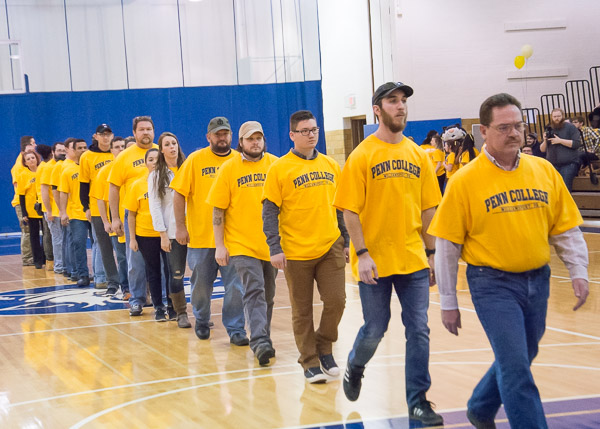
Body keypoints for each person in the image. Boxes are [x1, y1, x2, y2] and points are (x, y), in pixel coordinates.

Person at [429, 93, 589, 428]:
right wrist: (447, 300)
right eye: (504, 127)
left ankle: (480, 406)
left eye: (518, 126)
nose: (513, 133)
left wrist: (578, 271)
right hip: (492, 284)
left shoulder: (543, 170)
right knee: (516, 369)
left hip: (538, 279)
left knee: (521, 356)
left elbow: (566, 229)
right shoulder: (464, 181)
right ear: (483, 131)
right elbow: (447, 246)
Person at [333, 82, 443, 426]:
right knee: (375, 328)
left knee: (419, 329)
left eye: (403, 101)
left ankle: (418, 402)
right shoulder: (362, 155)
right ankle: (356, 365)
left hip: (412, 258)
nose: (401, 106)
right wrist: (362, 253)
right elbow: (349, 210)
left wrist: (431, 254)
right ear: (378, 110)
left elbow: (428, 209)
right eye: (392, 101)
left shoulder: (417, 155)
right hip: (374, 261)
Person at [262, 110, 349, 383]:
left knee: (337, 301)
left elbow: (340, 208)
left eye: (314, 130)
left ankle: (324, 346)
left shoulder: (331, 165)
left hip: (329, 246)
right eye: (304, 131)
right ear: (292, 135)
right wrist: (274, 248)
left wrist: (344, 239)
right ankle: (309, 361)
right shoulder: (279, 168)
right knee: (302, 310)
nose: (311, 134)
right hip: (295, 252)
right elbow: (268, 212)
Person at [207, 121, 279, 365]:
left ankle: (263, 336)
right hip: (241, 244)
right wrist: (220, 245)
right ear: (241, 142)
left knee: (268, 294)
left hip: (270, 245)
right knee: (254, 289)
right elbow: (218, 209)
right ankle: (259, 342)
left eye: (258, 137)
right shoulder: (229, 168)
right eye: (250, 139)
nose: (255, 142)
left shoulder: (276, 165)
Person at [171, 117, 247, 344]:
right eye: (217, 134)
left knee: (236, 286)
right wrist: (180, 226)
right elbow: (178, 193)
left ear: (231, 136)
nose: (221, 138)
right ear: (209, 137)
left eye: (225, 133)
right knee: (201, 287)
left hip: (234, 239)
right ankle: (202, 319)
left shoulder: (239, 160)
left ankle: (236, 328)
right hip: (201, 238)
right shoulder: (195, 160)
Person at [109, 116, 158, 316]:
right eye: (141, 129)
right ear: (135, 133)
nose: (145, 132)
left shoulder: (161, 151)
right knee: (135, 260)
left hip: (160, 213)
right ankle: (137, 299)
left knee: (162, 261)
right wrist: (115, 218)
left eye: (149, 129)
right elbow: (113, 187)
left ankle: (161, 299)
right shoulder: (124, 156)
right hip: (134, 216)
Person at [148, 132, 191, 328]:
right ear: (161, 149)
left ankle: (202, 311)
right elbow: (155, 206)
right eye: (167, 144)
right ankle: (179, 312)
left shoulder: (189, 168)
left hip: (197, 229)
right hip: (173, 232)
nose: (172, 147)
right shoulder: (156, 175)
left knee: (201, 272)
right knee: (176, 274)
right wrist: (162, 234)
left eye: (174, 143)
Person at [125, 149, 170, 321]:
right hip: (145, 235)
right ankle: (153, 305)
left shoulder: (168, 181)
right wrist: (133, 239)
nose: (154, 162)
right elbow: (132, 215)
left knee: (169, 270)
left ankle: (168, 303)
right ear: (145, 163)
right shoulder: (137, 185)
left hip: (166, 234)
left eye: (157, 159)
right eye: (150, 159)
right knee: (152, 271)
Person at [91, 136, 129, 297]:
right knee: (120, 256)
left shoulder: (132, 167)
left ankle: (138, 286)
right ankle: (122, 286)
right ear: (111, 150)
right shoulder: (105, 171)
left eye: (123, 146)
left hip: (134, 220)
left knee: (134, 258)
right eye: (117, 147)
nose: (120, 149)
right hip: (116, 221)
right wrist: (106, 221)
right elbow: (100, 198)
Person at [80, 124, 116, 290]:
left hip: (117, 205)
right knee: (102, 244)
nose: (105, 137)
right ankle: (104, 278)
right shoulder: (87, 157)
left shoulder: (116, 154)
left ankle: (121, 279)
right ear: (96, 136)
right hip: (97, 206)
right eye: (102, 134)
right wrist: (85, 207)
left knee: (121, 245)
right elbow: (84, 185)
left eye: (108, 134)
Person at [58, 138, 91, 285]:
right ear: (74, 151)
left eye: (85, 147)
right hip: (77, 214)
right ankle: (82, 274)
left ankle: (101, 275)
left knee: (99, 245)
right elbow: (63, 193)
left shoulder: (92, 167)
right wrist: (63, 212)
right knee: (78, 243)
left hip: (94, 211)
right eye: (80, 148)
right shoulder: (67, 170)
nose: (83, 150)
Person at [41, 141, 67, 275]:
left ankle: (67, 265)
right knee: (58, 239)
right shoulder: (48, 167)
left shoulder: (65, 165)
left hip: (65, 210)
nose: (62, 152)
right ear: (53, 152)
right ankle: (59, 266)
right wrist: (49, 211)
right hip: (54, 211)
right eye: (59, 150)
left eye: (64, 150)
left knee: (66, 239)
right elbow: (44, 190)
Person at [540, 108, 581, 191]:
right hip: (552, 165)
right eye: (554, 116)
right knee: (552, 190)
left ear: (562, 116)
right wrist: (544, 140)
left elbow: (577, 144)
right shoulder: (549, 128)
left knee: (565, 189)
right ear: (551, 117)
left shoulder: (570, 127)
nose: (556, 118)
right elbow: (542, 150)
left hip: (568, 164)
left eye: (558, 116)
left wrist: (560, 141)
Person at [17, 150, 45, 269]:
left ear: (37, 158)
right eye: (28, 159)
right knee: (34, 236)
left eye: (32, 157)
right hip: (31, 210)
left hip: (44, 208)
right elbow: (21, 196)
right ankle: (37, 260)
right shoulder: (23, 175)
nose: (31, 160)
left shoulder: (43, 170)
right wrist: (24, 213)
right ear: (25, 162)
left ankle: (45, 258)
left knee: (47, 235)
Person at [12, 136, 36, 266]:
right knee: (26, 230)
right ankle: (27, 258)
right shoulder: (19, 165)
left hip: (32, 203)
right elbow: (18, 187)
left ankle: (35, 256)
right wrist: (24, 207)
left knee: (33, 231)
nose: (35, 145)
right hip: (22, 204)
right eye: (33, 143)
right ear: (26, 147)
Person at [35, 144, 55, 271]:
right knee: (48, 233)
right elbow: (43, 188)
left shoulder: (43, 166)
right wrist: (46, 208)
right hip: (45, 203)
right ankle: (50, 260)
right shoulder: (44, 167)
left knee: (49, 233)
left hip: (47, 203)